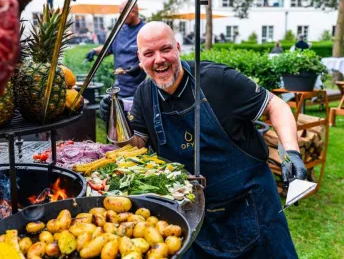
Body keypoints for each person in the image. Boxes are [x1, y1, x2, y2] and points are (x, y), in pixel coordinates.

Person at [100, 22, 306, 258]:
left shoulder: (217, 79)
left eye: (165, 49)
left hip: (250, 205)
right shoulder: (144, 94)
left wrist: (292, 153)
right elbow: (137, 145)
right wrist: (116, 126)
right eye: (149, 53)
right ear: (140, 59)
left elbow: (275, 106)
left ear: (178, 48)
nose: (159, 59)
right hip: (192, 212)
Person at [85, 1, 146, 98]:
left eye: (122, 13)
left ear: (133, 12)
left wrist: (139, 67)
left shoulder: (145, 31)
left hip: (138, 89)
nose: (120, 16)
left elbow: (152, 56)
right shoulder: (119, 30)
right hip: (119, 87)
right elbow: (109, 49)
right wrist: (94, 51)